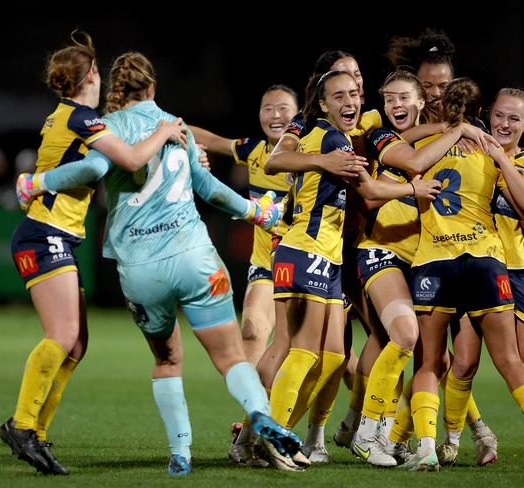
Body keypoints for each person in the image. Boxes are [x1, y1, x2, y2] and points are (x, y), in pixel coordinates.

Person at [16, 51, 303, 477]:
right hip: (195, 257)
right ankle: (258, 412)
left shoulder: (106, 128)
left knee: (168, 359)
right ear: (152, 87)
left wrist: (36, 182)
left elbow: (92, 166)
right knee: (230, 357)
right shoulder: (176, 126)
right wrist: (256, 212)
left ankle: (181, 453)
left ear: (116, 88)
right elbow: (209, 189)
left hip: (140, 269)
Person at [0, 31, 187, 475]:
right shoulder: (81, 119)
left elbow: (97, 165)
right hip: (43, 233)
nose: (102, 77)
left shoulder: (68, 116)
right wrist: (163, 131)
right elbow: (131, 159)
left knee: (77, 343)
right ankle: (21, 426)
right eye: (97, 70)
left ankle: (36, 432)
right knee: (64, 336)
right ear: (88, 77)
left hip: (54, 235)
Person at [264, 70, 441, 470]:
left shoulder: (343, 137)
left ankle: (267, 437)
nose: (350, 102)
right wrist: (321, 160)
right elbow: (279, 161)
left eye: (354, 94)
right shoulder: (325, 136)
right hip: (304, 249)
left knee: (330, 357)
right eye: (339, 96)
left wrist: (414, 184)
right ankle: (271, 436)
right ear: (323, 103)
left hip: (328, 258)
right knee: (303, 351)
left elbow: (374, 183)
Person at [404, 77, 524, 472]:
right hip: (487, 264)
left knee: (522, 356)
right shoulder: (482, 151)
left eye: (513, 119)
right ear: (484, 115)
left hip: (501, 265)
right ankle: (464, 440)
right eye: (498, 116)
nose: (504, 124)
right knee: (469, 362)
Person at [348, 70, 492, 467]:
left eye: (404, 98)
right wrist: (457, 130)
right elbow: (375, 193)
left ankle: (391, 432)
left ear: (419, 103)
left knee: (439, 361)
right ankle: (366, 431)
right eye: (389, 97)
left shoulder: (440, 138)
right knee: (402, 334)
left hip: (426, 261)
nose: (397, 105)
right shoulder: (378, 132)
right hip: (381, 252)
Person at [189, 85, 299, 467]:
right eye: (267, 107)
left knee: (336, 360)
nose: (275, 115)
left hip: (309, 266)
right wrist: (169, 129)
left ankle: (342, 430)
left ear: (299, 114)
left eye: (284, 108)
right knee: (252, 328)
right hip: (267, 266)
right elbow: (210, 139)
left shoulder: (311, 152)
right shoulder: (253, 150)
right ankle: (252, 423)